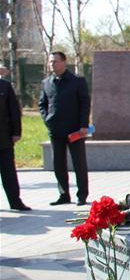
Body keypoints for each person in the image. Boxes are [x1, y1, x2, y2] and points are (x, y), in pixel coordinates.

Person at [39, 52, 90, 206]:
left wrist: (83, 125)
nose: (52, 64)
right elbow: (42, 104)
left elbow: (84, 104)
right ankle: (63, 194)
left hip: (75, 130)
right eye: (50, 62)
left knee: (79, 164)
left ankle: (82, 195)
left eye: (55, 61)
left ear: (64, 62)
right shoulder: (46, 83)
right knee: (58, 164)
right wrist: (47, 120)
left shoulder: (77, 81)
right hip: (55, 130)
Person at [0, 67, 30, 211]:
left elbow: (14, 111)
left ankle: (15, 202)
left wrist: (16, 132)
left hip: (3, 138)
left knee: (9, 173)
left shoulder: (5, 86)